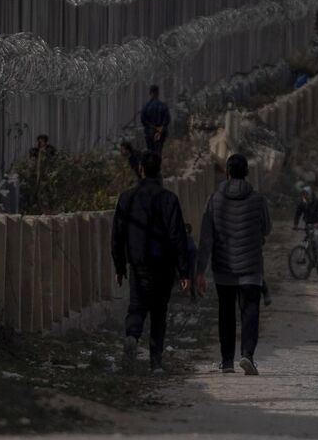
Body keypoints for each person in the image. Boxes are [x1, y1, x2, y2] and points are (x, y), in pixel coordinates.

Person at [110, 151, 192, 372]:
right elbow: (177, 236)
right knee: (159, 311)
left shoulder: (127, 198)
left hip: (138, 264)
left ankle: (132, 336)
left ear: (140, 170)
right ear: (159, 169)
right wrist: (184, 271)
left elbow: (117, 235)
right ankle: (156, 362)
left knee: (137, 306)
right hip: (164, 265)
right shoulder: (169, 199)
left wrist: (119, 266)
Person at [197, 154, 270, 375]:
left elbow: (206, 238)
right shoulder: (257, 199)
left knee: (226, 313)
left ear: (227, 172)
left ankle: (227, 361)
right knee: (250, 311)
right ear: (247, 172)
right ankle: (247, 355)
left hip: (224, 267)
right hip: (251, 267)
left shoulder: (214, 199)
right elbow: (266, 228)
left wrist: (200, 271)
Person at [139, 85, 172, 154]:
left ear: (150, 93)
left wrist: (150, 126)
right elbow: (167, 119)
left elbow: (143, 120)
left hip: (150, 132)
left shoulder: (146, 106)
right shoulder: (163, 106)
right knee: (158, 151)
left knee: (150, 151)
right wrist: (161, 128)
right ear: (158, 93)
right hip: (159, 132)